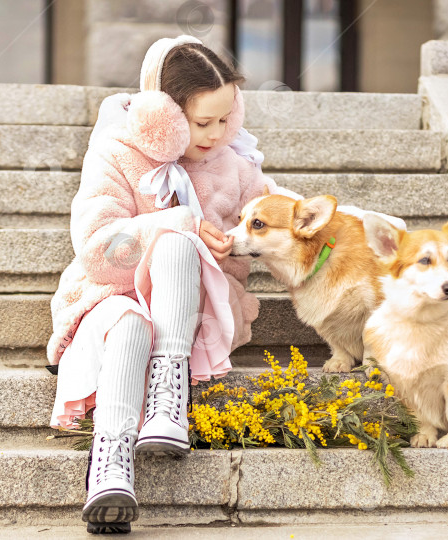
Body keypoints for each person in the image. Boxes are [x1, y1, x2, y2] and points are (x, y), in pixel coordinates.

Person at [46, 35, 301, 534]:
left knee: (180, 250)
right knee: (131, 320)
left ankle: (169, 387)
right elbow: (97, 247)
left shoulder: (233, 163)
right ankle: (110, 463)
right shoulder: (116, 152)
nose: (217, 133)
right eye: (202, 122)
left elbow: (281, 218)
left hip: (194, 313)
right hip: (112, 293)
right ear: (161, 116)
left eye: (226, 118)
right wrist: (180, 222)